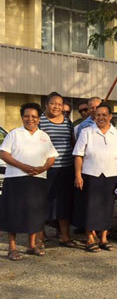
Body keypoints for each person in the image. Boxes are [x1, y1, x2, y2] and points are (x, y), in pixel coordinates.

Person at [0, 103, 58, 260]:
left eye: (34, 116)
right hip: (16, 179)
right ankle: (12, 247)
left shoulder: (44, 136)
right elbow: (4, 154)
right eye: (26, 116)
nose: (30, 119)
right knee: (14, 212)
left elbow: (52, 156)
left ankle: (32, 245)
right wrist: (23, 166)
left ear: (39, 119)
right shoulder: (14, 134)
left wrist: (44, 167)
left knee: (34, 212)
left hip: (37, 179)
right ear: (22, 117)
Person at [73, 103, 117, 253]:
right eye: (98, 115)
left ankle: (103, 238)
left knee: (107, 207)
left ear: (110, 116)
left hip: (111, 175)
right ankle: (90, 238)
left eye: (104, 115)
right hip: (90, 175)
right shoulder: (86, 132)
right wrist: (78, 175)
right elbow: (78, 155)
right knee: (90, 207)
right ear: (94, 117)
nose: (101, 117)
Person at [39, 92, 77, 248]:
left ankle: (65, 236)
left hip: (66, 168)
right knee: (43, 202)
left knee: (64, 202)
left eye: (59, 104)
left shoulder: (68, 122)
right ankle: (40, 235)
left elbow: (72, 143)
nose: (56, 107)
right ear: (47, 104)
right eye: (53, 103)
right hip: (45, 169)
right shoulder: (39, 121)